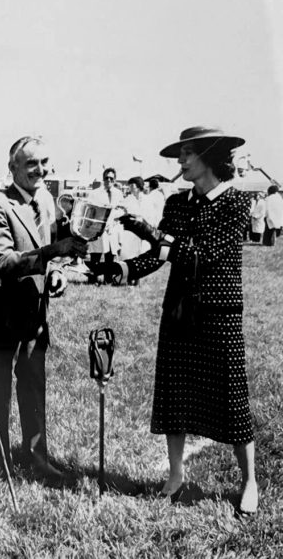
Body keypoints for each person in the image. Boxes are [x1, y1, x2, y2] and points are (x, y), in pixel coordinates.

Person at [95, 126, 258, 513]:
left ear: (210, 156)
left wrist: (151, 233)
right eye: (180, 154)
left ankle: (250, 480)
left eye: (187, 153)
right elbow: (159, 256)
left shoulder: (236, 203)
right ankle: (175, 475)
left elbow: (201, 255)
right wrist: (121, 269)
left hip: (218, 313)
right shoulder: (177, 203)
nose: (180, 161)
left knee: (232, 399)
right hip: (178, 311)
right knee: (176, 395)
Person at [0, 136, 86, 479]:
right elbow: (2, 261)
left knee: (34, 386)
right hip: (2, 315)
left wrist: (56, 273)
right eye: (31, 164)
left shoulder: (45, 199)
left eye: (44, 162)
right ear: (12, 168)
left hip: (35, 315)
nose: (40, 170)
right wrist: (52, 253)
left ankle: (37, 458)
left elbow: (48, 255)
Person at [87, 167, 123, 275]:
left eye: (111, 178)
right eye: (106, 178)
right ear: (103, 179)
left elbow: (122, 210)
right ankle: (93, 278)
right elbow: (90, 210)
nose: (109, 180)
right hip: (98, 228)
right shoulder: (95, 193)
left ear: (115, 180)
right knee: (96, 254)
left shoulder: (118, 193)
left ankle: (108, 279)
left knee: (110, 255)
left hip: (112, 227)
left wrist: (114, 215)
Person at [120, 176, 154, 285]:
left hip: (144, 230)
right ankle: (130, 279)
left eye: (132, 185)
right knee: (129, 254)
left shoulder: (147, 200)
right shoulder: (128, 199)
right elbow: (122, 211)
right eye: (129, 185)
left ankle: (137, 280)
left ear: (139, 186)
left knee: (141, 254)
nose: (130, 188)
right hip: (132, 230)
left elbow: (150, 216)